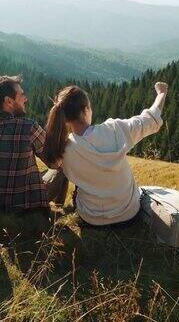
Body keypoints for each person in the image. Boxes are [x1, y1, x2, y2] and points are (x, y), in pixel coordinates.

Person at [44, 82, 168, 227]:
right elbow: (150, 119)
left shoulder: (64, 148)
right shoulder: (114, 130)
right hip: (128, 214)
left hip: (90, 218)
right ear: (86, 110)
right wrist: (161, 93)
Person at [0, 75, 68, 216]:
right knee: (62, 169)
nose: (25, 99)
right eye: (22, 95)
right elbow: (54, 162)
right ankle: (58, 208)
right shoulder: (28, 127)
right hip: (21, 204)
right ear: (9, 101)